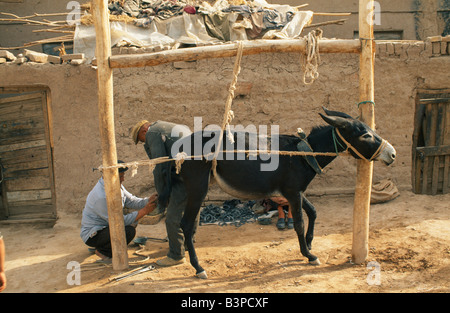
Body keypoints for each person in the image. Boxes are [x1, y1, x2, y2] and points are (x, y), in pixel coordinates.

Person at [131, 120, 195, 267]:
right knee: (192, 209)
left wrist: (162, 196)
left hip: (184, 174)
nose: (144, 143)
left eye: (142, 141)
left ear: (143, 132)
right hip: (197, 171)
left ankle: (176, 255)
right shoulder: (167, 126)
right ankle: (188, 244)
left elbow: (160, 165)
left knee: (172, 217)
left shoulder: (152, 132)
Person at [80, 160, 158, 262]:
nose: (123, 179)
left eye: (123, 175)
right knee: (128, 231)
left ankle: (103, 245)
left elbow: (131, 201)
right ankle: (104, 251)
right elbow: (118, 222)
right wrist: (144, 211)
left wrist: (148, 200)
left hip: (105, 227)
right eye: (121, 176)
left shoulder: (115, 184)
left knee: (133, 221)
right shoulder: (101, 196)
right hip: (93, 235)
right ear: (111, 176)